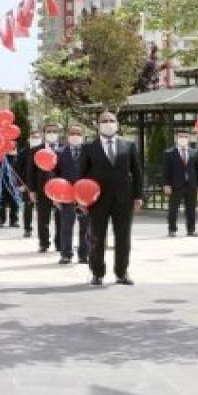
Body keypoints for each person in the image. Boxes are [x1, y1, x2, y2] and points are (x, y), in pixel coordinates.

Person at [78, 111, 143, 286]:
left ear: (117, 124)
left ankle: (122, 273)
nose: (108, 123)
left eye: (111, 120)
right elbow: (81, 176)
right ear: (98, 125)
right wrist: (81, 200)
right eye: (104, 121)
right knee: (97, 237)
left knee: (123, 237)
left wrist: (138, 196)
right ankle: (97, 273)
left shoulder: (128, 146)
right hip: (97, 201)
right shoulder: (89, 148)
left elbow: (137, 173)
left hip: (124, 199)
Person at [24, 124, 63, 250]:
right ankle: (44, 243)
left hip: (61, 190)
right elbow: (30, 171)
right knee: (42, 218)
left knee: (61, 218)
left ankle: (60, 243)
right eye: (49, 131)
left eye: (54, 131)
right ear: (44, 133)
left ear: (59, 133)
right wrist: (31, 190)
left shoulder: (64, 148)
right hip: (42, 189)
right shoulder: (36, 150)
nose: (51, 133)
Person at [56, 124, 88, 265]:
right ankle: (66, 254)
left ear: (83, 135)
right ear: (68, 136)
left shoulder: (89, 152)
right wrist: (55, 197)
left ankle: (84, 255)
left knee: (86, 227)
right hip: (66, 195)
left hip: (85, 195)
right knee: (66, 226)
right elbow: (54, 175)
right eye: (72, 133)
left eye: (78, 133)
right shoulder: (59, 152)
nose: (75, 136)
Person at [162, 131, 198, 237]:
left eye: (185, 137)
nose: (183, 138)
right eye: (180, 136)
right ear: (176, 138)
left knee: (191, 209)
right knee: (173, 209)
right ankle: (172, 229)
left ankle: (191, 230)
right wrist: (166, 184)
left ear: (189, 138)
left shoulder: (194, 152)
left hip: (191, 185)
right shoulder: (169, 153)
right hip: (175, 185)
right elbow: (166, 170)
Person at [11, 131, 41, 230]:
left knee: (42, 209)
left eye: (37, 137)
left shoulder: (44, 151)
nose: (35, 139)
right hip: (27, 184)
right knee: (28, 208)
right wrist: (19, 185)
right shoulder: (23, 153)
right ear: (28, 139)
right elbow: (15, 170)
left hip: (41, 184)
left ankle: (43, 230)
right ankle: (27, 228)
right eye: (33, 137)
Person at [0, 149, 22, 229]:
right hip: (3, 184)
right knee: (1, 202)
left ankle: (14, 220)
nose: (12, 150)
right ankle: (0, 220)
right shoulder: (2, 158)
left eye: (14, 148)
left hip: (15, 185)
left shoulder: (18, 158)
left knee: (15, 202)